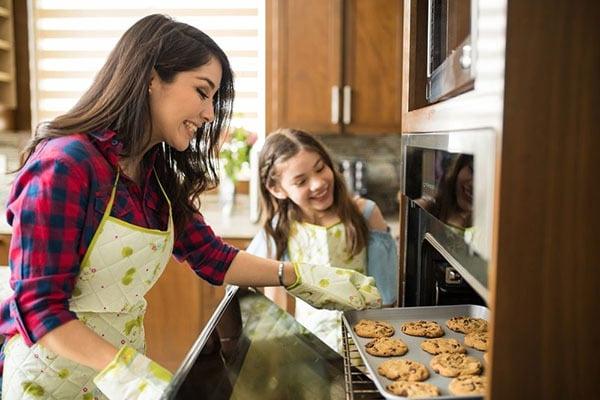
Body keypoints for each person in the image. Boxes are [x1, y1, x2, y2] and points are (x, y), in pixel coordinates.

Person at [0, 15, 380, 399]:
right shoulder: (66, 165)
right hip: (51, 381)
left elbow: (211, 256)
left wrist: (296, 275)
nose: (210, 113)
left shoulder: (156, 176)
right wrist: (126, 372)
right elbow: (38, 307)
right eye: (202, 91)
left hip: (116, 378)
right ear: (151, 78)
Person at [247, 128, 398, 352]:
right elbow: (273, 301)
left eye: (320, 168)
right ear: (277, 189)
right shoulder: (279, 228)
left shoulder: (365, 213)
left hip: (366, 345)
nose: (318, 183)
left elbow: (387, 294)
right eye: (301, 181)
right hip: (310, 350)